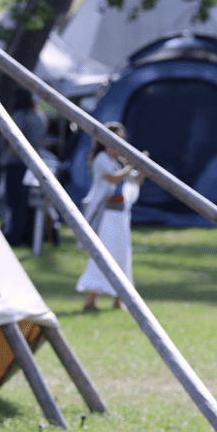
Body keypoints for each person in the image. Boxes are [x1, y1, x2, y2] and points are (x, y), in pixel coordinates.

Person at [76, 122, 145, 311]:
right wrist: (131, 166)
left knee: (122, 255)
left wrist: (142, 168)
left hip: (120, 215)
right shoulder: (101, 159)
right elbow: (114, 179)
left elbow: (133, 182)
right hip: (105, 215)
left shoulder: (117, 162)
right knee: (103, 256)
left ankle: (118, 298)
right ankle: (90, 300)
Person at [0, 88, 47, 246]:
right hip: (34, 163)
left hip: (17, 163)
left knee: (16, 202)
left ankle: (15, 236)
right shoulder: (41, 116)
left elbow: (14, 142)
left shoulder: (20, 115)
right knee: (30, 201)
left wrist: (6, 156)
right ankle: (29, 235)